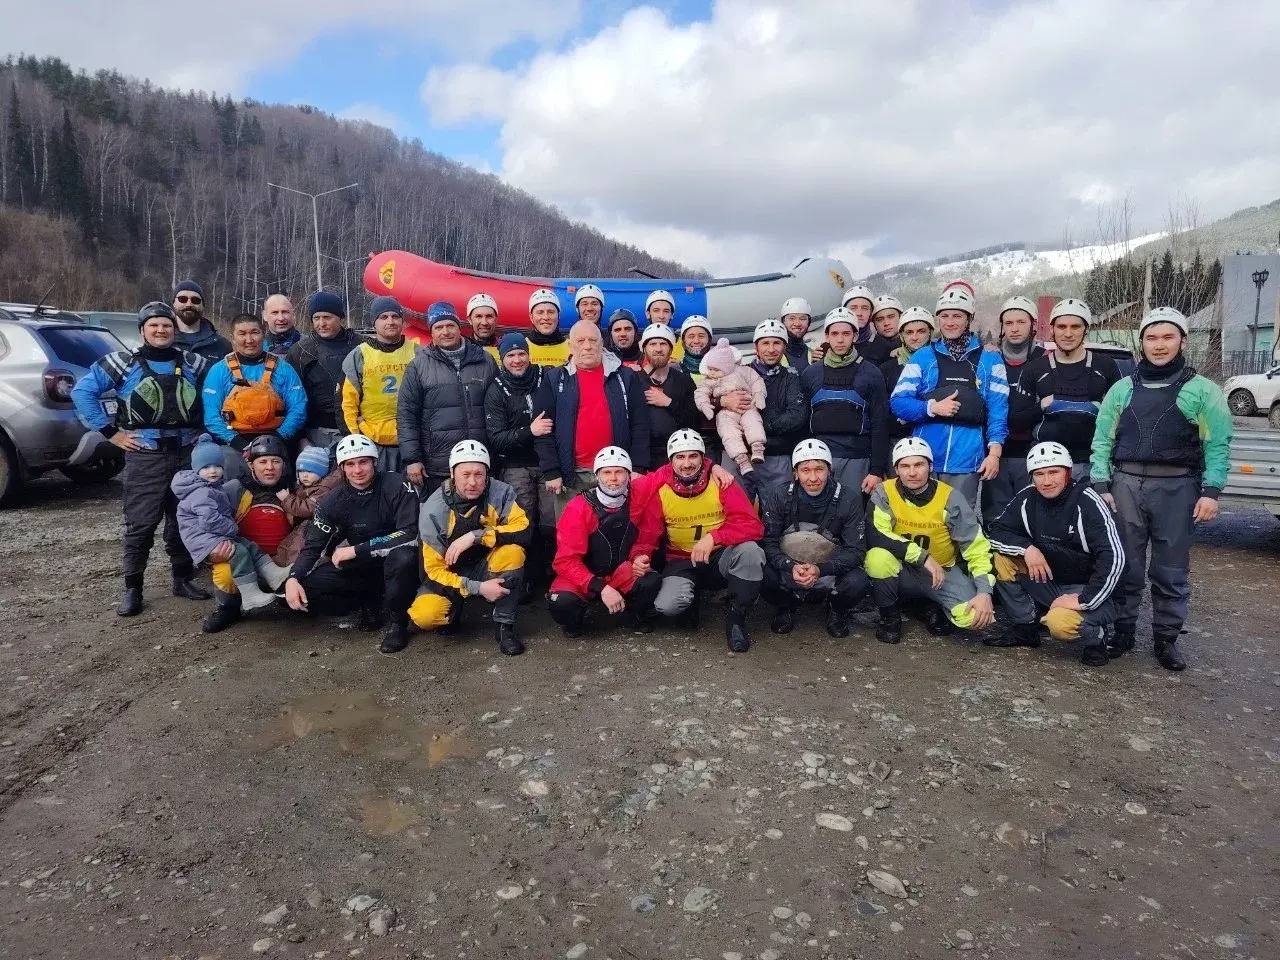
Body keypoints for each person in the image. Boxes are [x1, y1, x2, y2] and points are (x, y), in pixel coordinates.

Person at [1090, 306, 1232, 671]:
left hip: (1178, 487)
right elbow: (1103, 440)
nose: (1159, 345)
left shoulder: (1202, 391)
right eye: (1151, 337)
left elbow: (1216, 444)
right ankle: (1122, 632)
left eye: (1168, 337)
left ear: (1182, 340)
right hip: (1125, 485)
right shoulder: (1122, 389)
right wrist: (1102, 483)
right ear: (1141, 343)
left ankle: (1166, 638)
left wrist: (1211, 491)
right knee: (1126, 564)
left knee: (1170, 569)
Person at [71, 301, 212, 616]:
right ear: (142, 330)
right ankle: (133, 588)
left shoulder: (193, 363)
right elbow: (82, 392)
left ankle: (182, 578)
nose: (161, 330)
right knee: (141, 523)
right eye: (154, 325)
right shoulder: (121, 363)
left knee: (182, 518)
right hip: (144, 454)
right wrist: (111, 433)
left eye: (166, 325)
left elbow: (218, 389)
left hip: (187, 452)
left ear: (174, 329)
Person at [986, 441, 1124, 666]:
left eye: (1053, 472)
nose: (1046, 480)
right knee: (1001, 558)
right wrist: (1027, 549)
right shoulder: (1027, 498)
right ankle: (1025, 627)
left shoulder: (1088, 502)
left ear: (1068, 472)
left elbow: (1114, 558)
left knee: (1060, 625)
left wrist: (1084, 600)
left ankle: (1096, 639)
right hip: (1051, 580)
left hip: (1089, 588)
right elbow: (997, 531)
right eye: (1039, 474)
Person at [284, 434, 420, 655]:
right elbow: (313, 546)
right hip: (363, 565)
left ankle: (398, 622)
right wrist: (293, 578)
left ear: (374, 462)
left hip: (400, 559)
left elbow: (411, 533)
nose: (357, 470)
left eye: (363, 462)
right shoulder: (332, 501)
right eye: (350, 464)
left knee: (403, 558)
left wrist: (358, 549)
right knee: (308, 587)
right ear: (342, 468)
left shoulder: (397, 484)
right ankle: (368, 602)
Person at [632, 429, 766, 652]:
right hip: (681, 560)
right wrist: (638, 556)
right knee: (668, 607)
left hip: (719, 555)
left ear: (703, 458)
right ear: (671, 461)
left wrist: (715, 537)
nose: (687, 464)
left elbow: (753, 526)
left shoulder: (722, 481)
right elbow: (647, 535)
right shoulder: (660, 487)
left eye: (693, 456)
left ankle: (736, 618)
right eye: (680, 457)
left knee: (751, 552)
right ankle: (691, 601)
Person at [865, 437, 997, 644]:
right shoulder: (884, 492)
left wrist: (984, 592)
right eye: (905, 466)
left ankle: (931, 606)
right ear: (896, 469)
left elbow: (975, 546)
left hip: (941, 573)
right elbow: (876, 535)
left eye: (919, 464)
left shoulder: (951, 497)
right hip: (903, 570)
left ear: (930, 466)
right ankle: (890, 619)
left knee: (975, 617)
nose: (912, 472)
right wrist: (921, 556)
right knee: (877, 558)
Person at [890, 287, 1009, 507]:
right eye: (944, 316)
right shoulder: (923, 356)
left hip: (966, 461)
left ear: (969, 319)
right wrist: (931, 408)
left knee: (959, 523)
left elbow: (998, 410)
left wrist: (994, 453)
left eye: (957, 316)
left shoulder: (991, 359)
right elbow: (898, 402)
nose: (950, 322)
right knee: (922, 521)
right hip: (924, 459)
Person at [408, 440, 530, 655]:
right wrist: (479, 589)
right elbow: (434, 571)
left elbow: (523, 531)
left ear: (487, 474)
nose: (472, 482)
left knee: (513, 552)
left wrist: (477, 536)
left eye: (479, 474)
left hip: (486, 563)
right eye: (465, 474)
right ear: (452, 474)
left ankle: (504, 625)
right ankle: (454, 609)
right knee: (425, 616)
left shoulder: (502, 492)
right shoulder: (434, 510)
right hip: (448, 572)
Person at [173, 435, 292, 631]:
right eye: (263, 461)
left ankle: (285, 591)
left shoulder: (294, 492)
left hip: (278, 560)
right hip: (240, 557)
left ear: (284, 465)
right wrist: (209, 556)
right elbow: (196, 529)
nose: (269, 467)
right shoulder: (231, 490)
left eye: (276, 461)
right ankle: (228, 606)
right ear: (251, 464)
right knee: (226, 569)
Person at [759, 439, 871, 638]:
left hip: (829, 571)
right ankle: (786, 605)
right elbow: (768, 542)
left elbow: (856, 550)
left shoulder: (848, 497)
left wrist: (821, 569)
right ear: (795, 473)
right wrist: (789, 566)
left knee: (858, 581)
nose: (813, 477)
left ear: (829, 470)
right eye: (805, 470)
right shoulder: (780, 495)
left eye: (819, 469)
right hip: (789, 569)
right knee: (760, 571)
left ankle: (837, 609)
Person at [547, 446, 664, 636]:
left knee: (650, 580)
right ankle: (577, 620)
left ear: (629, 475)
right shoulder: (578, 507)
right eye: (607, 472)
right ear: (597, 475)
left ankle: (633, 613)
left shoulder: (638, 496)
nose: (613, 478)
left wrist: (639, 558)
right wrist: (601, 587)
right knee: (561, 603)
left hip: (620, 571)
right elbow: (565, 561)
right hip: (584, 576)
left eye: (619, 472)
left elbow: (667, 474)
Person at [535, 321, 651, 508]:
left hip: (615, 473)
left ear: (602, 343)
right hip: (570, 476)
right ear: (570, 345)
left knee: (613, 533)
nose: (587, 346)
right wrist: (551, 471)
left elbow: (640, 424)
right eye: (580, 341)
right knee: (571, 534)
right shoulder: (554, 379)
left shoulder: (625, 377)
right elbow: (543, 429)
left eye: (593, 340)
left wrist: (637, 467)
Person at [396, 300, 496, 500]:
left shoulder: (484, 360)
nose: (445, 332)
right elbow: (406, 414)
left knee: (480, 519)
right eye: (438, 327)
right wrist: (412, 458)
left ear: (459, 328)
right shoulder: (418, 366)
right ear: (431, 332)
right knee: (440, 519)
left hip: (479, 460)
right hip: (438, 463)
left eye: (450, 325)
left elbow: (498, 406)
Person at [484, 332, 556, 592]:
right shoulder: (496, 389)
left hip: (547, 462)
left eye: (521, 354)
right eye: (511, 355)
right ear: (503, 359)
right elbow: (497, 438)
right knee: (522, 525)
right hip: (516, 465)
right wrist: (530, 430)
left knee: (551, 525)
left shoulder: (546, 376)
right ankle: (524, 579)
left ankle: (553, 576)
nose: (517, 360)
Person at [1016, 299, 1121, 476]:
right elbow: (1016, 421)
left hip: (1092, 464)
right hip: (1045, 466)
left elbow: (1122, 419)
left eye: (1075, 327)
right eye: (1062, 326)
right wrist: (1041, 406)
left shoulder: (1106, 366)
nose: (1068, 333)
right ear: (1052, 330)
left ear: (1086, 330)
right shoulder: (1034, 368)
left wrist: (1101, 411)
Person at [799, 307, 890, 494]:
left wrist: (876, 470)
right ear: (827, 336)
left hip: (858, 459)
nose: (840, 340)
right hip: (818, 460)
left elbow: (880, 423)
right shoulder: (811, 373)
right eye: (835, 333)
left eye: (846, 333)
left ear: (855, 336)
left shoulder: (871, 373)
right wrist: (800, 463)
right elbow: (802, 423)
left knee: (853, 516)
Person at [202, 314, 308, 460]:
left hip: (276, 444)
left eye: (254, 333)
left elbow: (298, 407)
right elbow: (211, 416)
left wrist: (278, 437)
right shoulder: (219, 370)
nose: (249, 340)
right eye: (242, 334)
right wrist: (237, 442)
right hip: (234, 446)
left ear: (263, 335)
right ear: (232, 337)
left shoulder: (283, 369)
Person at [984, 296, 1047, 518]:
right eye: (1008, 323)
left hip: (1032, 451)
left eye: (1021, 322)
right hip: (996, 452)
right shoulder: (990, 357)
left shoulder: (1046, 359)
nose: (1014, 329)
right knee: (996, 515)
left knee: (1031, 515)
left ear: (1033, 325)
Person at [341, 295, 417, 472]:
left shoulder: (418, 352)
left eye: (395, 316)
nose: (390, 321)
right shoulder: (359, 355)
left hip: (412, 440)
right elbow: (348, 403)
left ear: (402, 321)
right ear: (374, 323)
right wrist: (355, 440)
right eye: (383, 317)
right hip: (373, 441)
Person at [733, 318, 807, 493]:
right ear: (756, 347)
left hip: (777, 456)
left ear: (784, 346)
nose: (771, 349)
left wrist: (757, 425)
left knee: (778, 512)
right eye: (765, 343)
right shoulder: (740, 373)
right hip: (744, 456)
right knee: (742, 513)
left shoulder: (791, 377)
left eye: (777, 343)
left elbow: (796, 417)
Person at [286, 291, 365, 450]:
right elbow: (292, 399)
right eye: (316, 318)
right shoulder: (300, 351)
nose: (321, 323)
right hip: (317, 433)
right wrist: (300, 437)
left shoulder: (362, 346)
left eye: (327, 317)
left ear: (340, 318)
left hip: (360, 427)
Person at [695, 337, 767, 474]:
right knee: (727, 432)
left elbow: (757, 381)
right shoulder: (710, 380)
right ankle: (741, 460)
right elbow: (700, 392)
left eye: (715, 369)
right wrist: (705, 405)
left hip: (747, 405)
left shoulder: (743, 371)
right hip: (726, 412)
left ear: (726, 366)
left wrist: (759, 395)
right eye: (709, 369)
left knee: (753, 422)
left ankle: (758, 448)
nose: (711, 372)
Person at [638, 323, 700, 469]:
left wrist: (668, 402)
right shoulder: (633, 380)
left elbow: (694, 420)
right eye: (653, 344)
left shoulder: (684, 380)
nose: (658, 349)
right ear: (644, 349)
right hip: (644, 459)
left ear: (671, 349)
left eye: (663, 344)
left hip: (679, 457)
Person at [879, 306, 934, 444]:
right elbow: (881, 412)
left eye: (921, 331)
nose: (914, 337)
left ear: (930, 333)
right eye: (909, 332)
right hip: (897, 439)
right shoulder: (887, 368)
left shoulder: (942, 363)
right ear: (902, 335)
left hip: (933, 436)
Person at [171, 280, 231, 363]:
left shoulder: (222, 345)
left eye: (195, 300)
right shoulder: (160, 340)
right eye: (182, 299)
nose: (189, 304)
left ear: (203, 305)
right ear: (173, 302)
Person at [842, 284, 893, 365]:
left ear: (871, 313)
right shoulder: (830, 346)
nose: (859, 313)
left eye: (865, 308)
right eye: (853, 308)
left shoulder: (883, 346)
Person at [526, 288, 570, 367]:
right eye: (540, 312)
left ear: (558, 315)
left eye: (551, 312)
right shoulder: (522, 347)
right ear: (531, 317)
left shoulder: (572, 347)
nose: (546, 317)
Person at [644, 289, 684, 361]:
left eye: (666, 311)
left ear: (671, 315)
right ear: (648, 314)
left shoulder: (680, 343)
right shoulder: (639, 343)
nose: (661, 316)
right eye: (656, 310)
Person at [779, 296, 816, 370]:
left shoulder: (814, 355)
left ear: (809, 322)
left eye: (802, 318)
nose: (797, 323)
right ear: (783, 322)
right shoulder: (772, 354)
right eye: (792, 318)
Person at [677, 314, 713, 381]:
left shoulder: (721, 366)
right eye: (691, 336)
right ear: (683, 340)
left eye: (701, 336)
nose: (696, 341)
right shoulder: (675, 369)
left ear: (709, 339)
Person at [466, 293, 501, 360]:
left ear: (496, 319)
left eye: (489, 316)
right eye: (478, 316)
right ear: (470, 320)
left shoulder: (505, 348)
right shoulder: (461, 350)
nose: (484, 322)